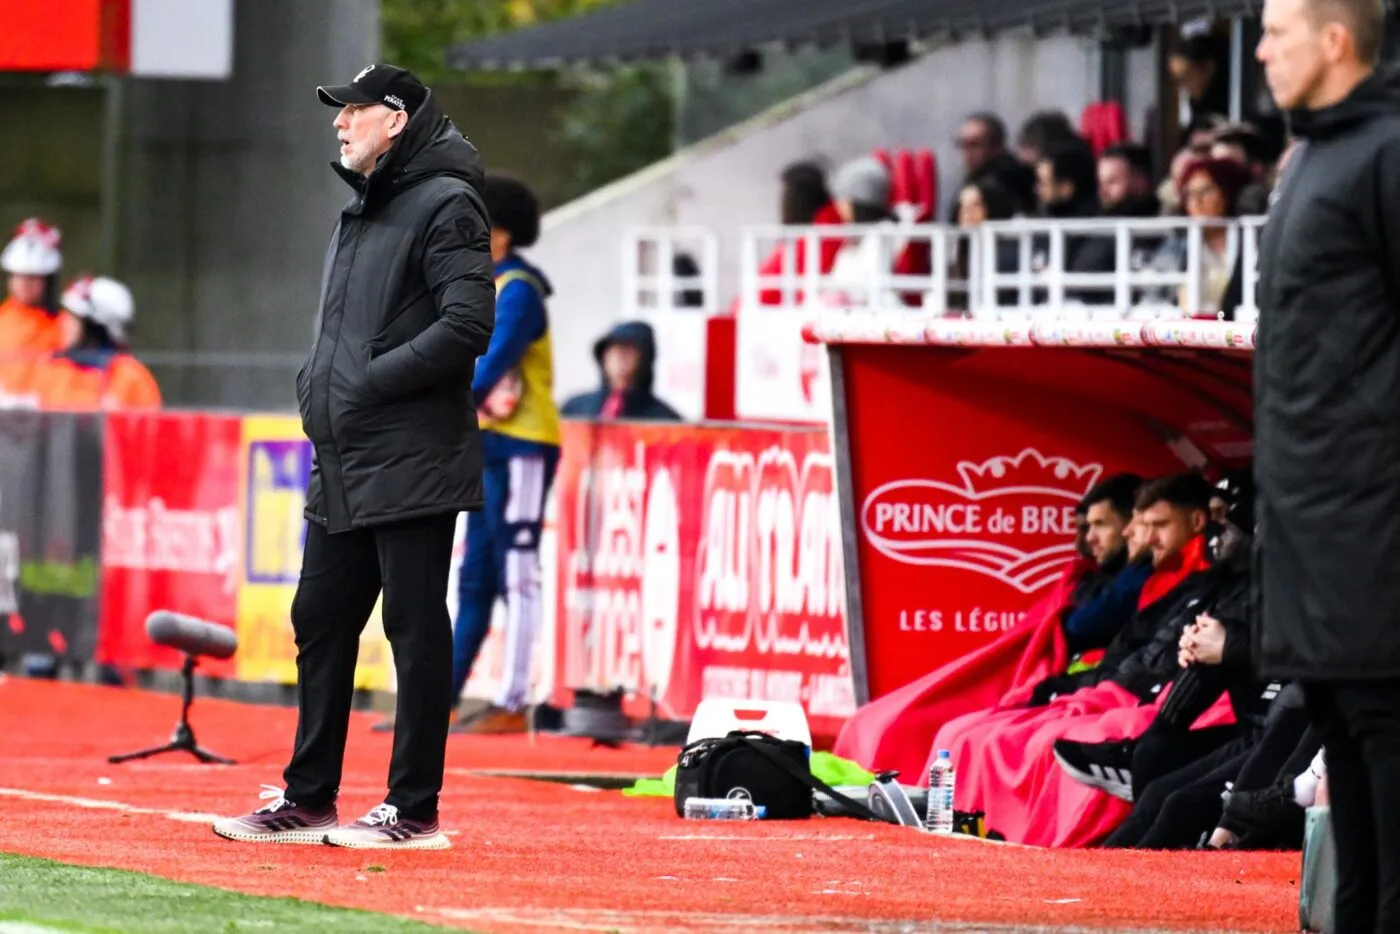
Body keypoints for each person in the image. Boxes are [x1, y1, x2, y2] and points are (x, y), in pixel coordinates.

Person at [212, 62, 494, 850]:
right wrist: (322, 389)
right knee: (321, 620)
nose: (340, 123)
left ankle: (413, 812)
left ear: (396, 119)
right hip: (345, 452)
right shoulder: (363, 208)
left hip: (409, 450)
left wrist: (368, 383)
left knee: (412, 625)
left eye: (355, 111)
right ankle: (308, 801)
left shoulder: (447, 201)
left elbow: (469, 325)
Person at [1253, 0, 1400, 928]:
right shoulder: (1307, 159)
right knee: (1343, 745)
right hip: (1310, 528)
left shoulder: (1386, 154)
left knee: (1386, 755)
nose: (1261, 49)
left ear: (1335, 42)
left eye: (1278, 31)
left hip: (1376, 526)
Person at [448, 174, 563, 735]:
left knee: (517, 571)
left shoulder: (519, 289)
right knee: (475, 576)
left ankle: (515, 699)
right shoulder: (491, 283)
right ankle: (441, 698)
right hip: (491, 442)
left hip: (522, 444)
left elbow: (491, 363)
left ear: (500, 232)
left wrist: (442, 402)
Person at [30, 275, 161, 410]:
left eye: (74, 318)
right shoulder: (55, 370)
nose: (63, 322)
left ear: (94, 326)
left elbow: (149, 428)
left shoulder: (130, 377)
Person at [561, 321, 682, 422]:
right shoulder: (574, 409)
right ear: (603, 357)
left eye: (629, 349)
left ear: (645, 358)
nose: (620, 356)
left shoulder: (665, 420)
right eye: (613, 349)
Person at [0, 218, 65, 405]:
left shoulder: (63, 327)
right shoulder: (2, 321)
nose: (24, 284)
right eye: (18, 276)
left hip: (49, 419)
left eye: (33, 278)